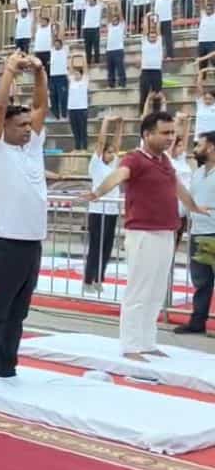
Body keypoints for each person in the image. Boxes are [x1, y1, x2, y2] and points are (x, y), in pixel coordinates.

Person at [83, 111, 208, 360]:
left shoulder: (165, 162)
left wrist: (194, 207)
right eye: (165, 133)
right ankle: (130, 345)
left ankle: (147, 341)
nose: (170, 138)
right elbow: (118, 175)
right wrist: (98, 192)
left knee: (157, 289)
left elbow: (178, 188)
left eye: (172, 133)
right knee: (139, 288)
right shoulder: (135, 159)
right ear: (147, 134)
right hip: (142, 233)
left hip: (166, 231)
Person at [0, 52, 49, 380]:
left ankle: (8, 366)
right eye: (20, 125)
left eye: (28, 126)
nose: (26, 130)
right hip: (6, 241)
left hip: (32, 242)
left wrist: (39, 73)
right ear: (4, 126)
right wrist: (8, 71)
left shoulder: (32, 150)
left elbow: (41, 107)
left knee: (19, 312)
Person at [178, 132, 215, 334]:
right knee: (201, 281)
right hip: (198, 232)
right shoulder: (198, 173)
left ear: (210, 148)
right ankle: (197, 321)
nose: (195, 149)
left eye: (199, 145)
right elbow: (188, 200)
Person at [84, 115, 124, 294]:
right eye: (108, 152)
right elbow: (101, 143)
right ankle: (88, 280)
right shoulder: (96, 164)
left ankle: (99, 278)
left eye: (112, 153)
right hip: (97, 210)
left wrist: (120, 125)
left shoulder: (114, 165)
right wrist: (106, 122)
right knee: (96, 246)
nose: (111, 154)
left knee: (107, 247)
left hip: (111, 211)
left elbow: (117, 143)